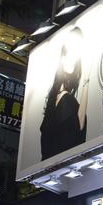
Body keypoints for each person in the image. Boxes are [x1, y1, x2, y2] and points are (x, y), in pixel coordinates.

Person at [40, 26, 89, 160]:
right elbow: (78, 125)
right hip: (61, 164)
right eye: (69, 55)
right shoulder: (65, 99)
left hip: (51, 165)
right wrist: (86, 82)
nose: (71, 60)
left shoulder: (56, 99)